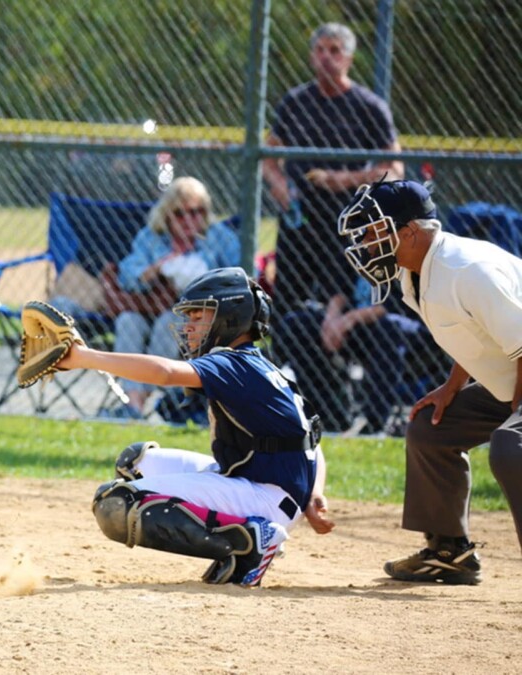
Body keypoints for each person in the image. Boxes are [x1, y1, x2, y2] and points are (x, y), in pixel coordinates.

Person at [57, 267, 332, 587]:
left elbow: (164, 373)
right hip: (260, 486)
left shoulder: (233, 363)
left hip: (265, 498)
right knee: (137, 463)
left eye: (198, 316)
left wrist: (83, 356)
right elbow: (311, 440)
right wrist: (314, 494)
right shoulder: (255, 363)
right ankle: (243, 534)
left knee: (116, 505)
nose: (187, 327)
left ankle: (253, 543)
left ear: (229, 319)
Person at [336, 178, 522, 584]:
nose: (366, 244)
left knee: (513, 445)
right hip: (513, 374)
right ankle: (448, 551)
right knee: (432, 426)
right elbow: (473, 333)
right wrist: (453, 387)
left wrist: (516, 411)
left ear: (410, 233)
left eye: (373, 232)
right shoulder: (415, 273)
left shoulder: (468, 271)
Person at [262, 22, 413, 432]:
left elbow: (392, 169)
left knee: (347, 306)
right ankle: (308, 403)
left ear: (348, 57)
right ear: (312, 56)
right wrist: (284, 191)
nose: (327, 57)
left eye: (335, 50)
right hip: (303, 224)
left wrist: (340, 180)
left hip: (355, 225)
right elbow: (268, 158)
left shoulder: (368, 106)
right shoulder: (295, 102)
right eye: (321, 50)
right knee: (291, 311)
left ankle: (358, 403)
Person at [103, 176, 239, 417]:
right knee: (127, 322)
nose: (189, 220)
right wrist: (158, 268)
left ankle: (136, 405)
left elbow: (244, 277)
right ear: (166, 214)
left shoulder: (220, 238)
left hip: (196, 317)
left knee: (169, 322)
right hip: (149, 307)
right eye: (180, 213)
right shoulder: (151, 237)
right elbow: (127, 276)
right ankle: (135, 404)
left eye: (196, 212)